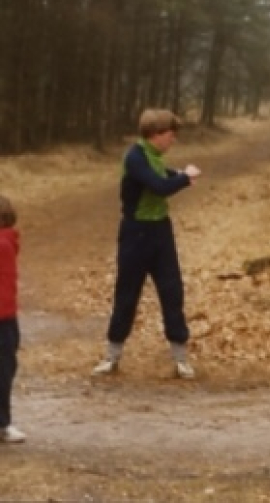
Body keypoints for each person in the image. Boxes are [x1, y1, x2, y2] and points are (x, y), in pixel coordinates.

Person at [93, 109, 202, 379]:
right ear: (155, 135)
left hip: (160, 232)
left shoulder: (153, 157)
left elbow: (164, 172)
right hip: (135, 233)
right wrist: (185, 177)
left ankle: (180, 359)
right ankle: (112, 356)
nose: (173, 140)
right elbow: (159, 186)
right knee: (127, 293)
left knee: (172, 291)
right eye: (170, 135)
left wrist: (178, 173)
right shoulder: (135, 157)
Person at [0, 195, 26, 444]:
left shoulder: (3, 245)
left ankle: (3, 423)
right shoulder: (8, 243)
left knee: (4, 371)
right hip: (6, 318)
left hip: (4, 318)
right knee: (5, 370)